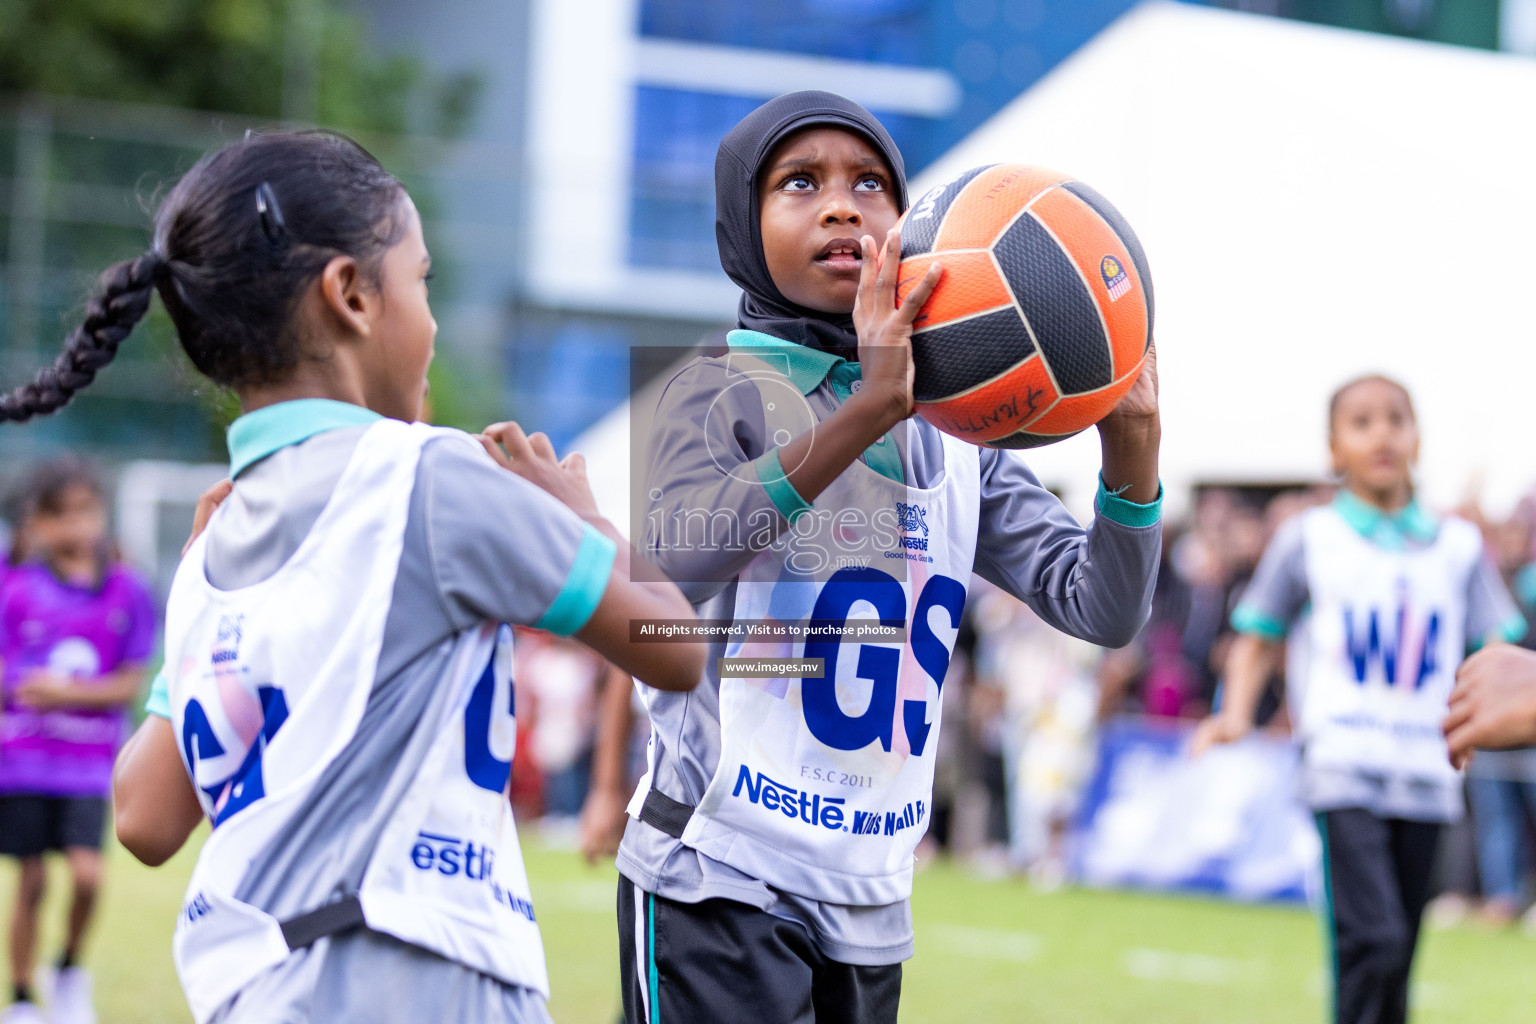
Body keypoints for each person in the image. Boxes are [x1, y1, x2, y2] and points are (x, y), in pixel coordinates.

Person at [0, 129, 705, 1024]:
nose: (435, 319)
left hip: (252, 990)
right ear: (351, 296)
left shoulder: (209, 548)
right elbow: (677, 649)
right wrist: (591, 518)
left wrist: (187, 639)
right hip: (413, 975)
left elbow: (144, 817)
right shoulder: (432, 479)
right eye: (422, 281)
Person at [613, 91, 1162, 1024]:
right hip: (716, 870)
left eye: (871, 183)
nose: (843, 205)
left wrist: (1134, 448)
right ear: (740, 227)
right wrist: (866, 407)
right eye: (800, 183)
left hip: (867, 893)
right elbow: (670, 570)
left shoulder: (959, 437)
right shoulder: (712, 385)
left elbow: (1101, 609)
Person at [1193, 375, 1524, 1024]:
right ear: (1333, 448)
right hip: (1344, 761)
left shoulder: (1458, 548)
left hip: (1429, 768)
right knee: (1373, 938)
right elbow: (1259, 637)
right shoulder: (1310, 537)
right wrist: (1234, 715)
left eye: (1396, 420)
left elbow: (1498, 648)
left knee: (1397, 960)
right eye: (1362, 421)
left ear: (1418, 440)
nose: (1382, 434)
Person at [0, 458, 155, 1024]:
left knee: (88, 874)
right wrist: (18, 687)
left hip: (89, 767)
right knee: (32, 878)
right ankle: (19, 997)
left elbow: (131, 683)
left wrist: (65, 693)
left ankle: (67, 968)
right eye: (58, 514)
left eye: (85, 510)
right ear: (34, 523)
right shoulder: (13, 583)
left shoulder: (126, 590)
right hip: (22, 762)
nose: (75, 526)